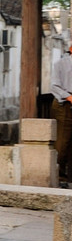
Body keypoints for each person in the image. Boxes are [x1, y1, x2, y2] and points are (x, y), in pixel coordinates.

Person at [54, 40, 72, 184]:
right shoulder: (61, 63)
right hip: (64, 104)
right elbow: (54, 86)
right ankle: (59, 176)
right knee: (62, 142)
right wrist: (69, 97)